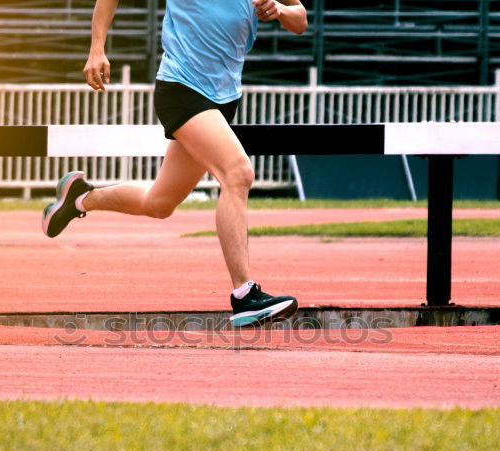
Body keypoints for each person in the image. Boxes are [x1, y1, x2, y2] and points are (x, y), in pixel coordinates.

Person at [43, 0, 308, 327]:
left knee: (159, 203)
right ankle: (245, 296)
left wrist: (280, 10)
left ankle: (80, 197)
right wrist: (97, 49)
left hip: (224, 97)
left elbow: (300, 20)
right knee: (237, 173)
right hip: (181, 88)